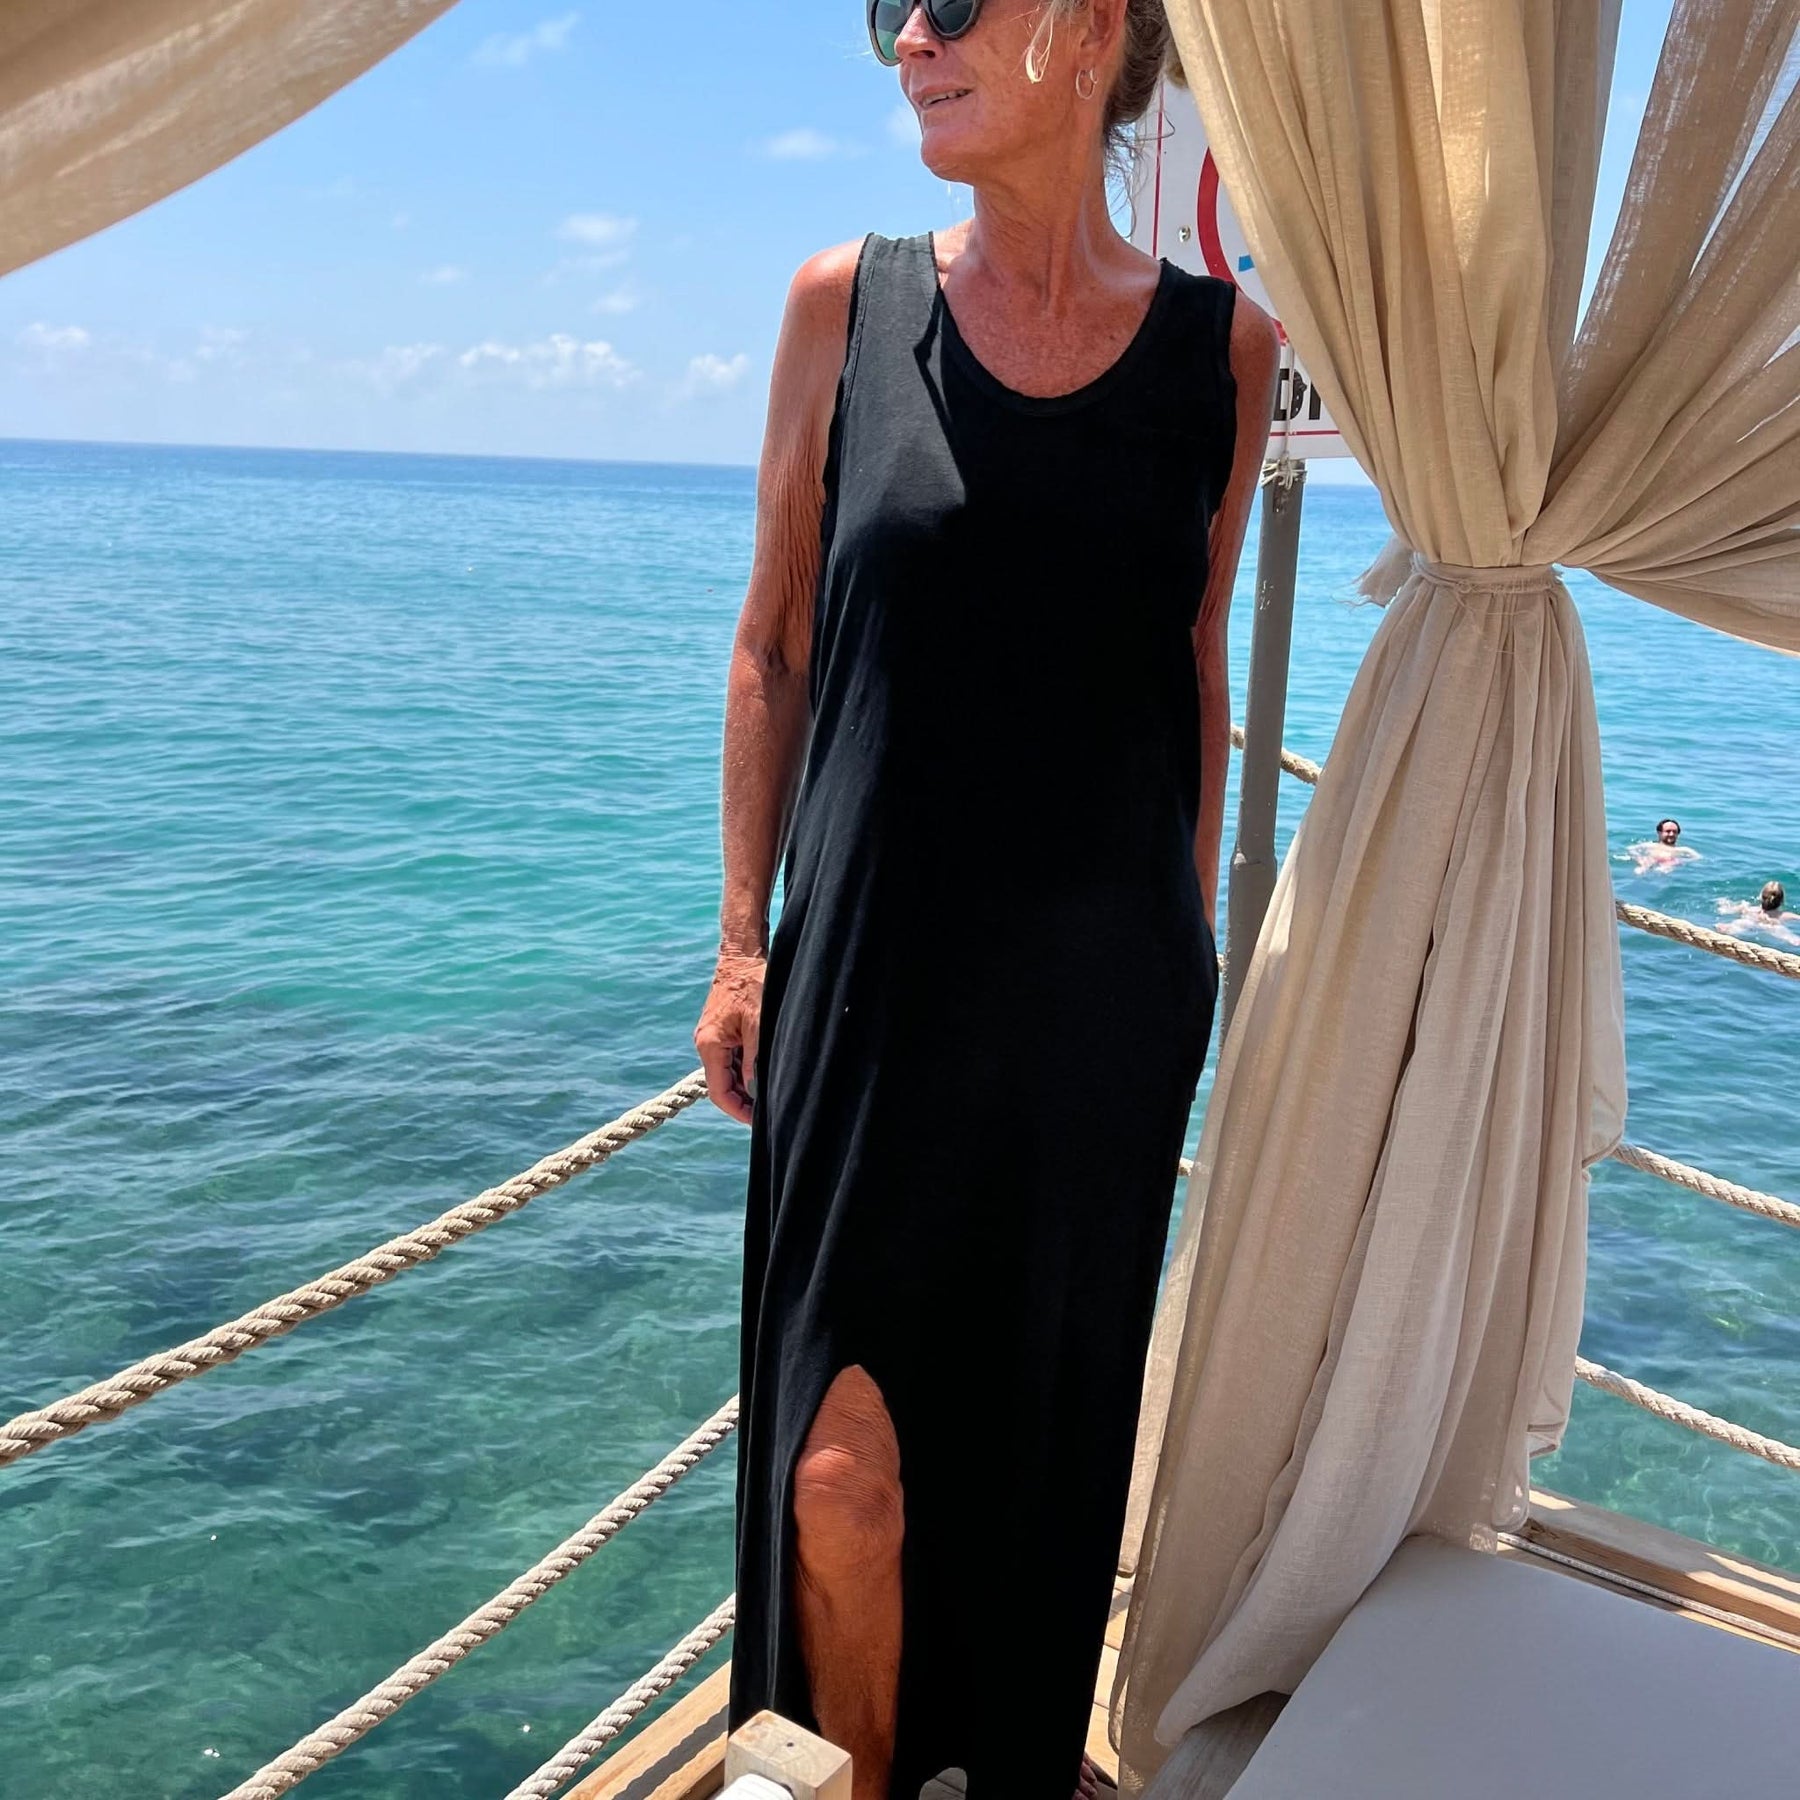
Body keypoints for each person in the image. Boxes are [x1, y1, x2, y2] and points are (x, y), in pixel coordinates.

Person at [692, 2, 1276, 1793]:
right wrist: (740, 945)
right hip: (870, 993)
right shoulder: (844, 308)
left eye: (949, 1)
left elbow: (1194, 668)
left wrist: (1184, 948)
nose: (910, 41)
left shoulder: (1222, 351)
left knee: (1036, 1444)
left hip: (1098, 1004)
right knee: (836, 1479)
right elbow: (772, 645)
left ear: (1092, 27)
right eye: (890, 13)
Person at [1717, 881, 1800, 946]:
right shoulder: (1785, 915)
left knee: (1742, 923)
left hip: (1752, 920)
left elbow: (1726, 910)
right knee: (1780, 931)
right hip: (1771, 925)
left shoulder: (1750, 909)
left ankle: (1728, 928)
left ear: (1760, 897)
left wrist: (1724, 903)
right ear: (1782, 901)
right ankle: (1792, 939)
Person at [1628, 816, 1699, 875]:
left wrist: (1679, 861)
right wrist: (1639, 858)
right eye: (1668, 831)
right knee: (1638, 871)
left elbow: (1698, 858)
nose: (1671, 834)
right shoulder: (1650, 845)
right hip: (1648, 865)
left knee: (1665, 870)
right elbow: (1630, 849)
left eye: (1674, 832)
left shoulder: (1684, 850)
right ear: (1659, 832)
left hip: (1668, 869)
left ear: (1678, 834)